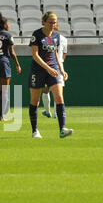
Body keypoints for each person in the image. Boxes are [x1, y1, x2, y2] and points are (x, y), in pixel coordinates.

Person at [28, 11, 73, 139]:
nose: (53, 25)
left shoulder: (56, 36)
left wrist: (61, 69)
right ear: (44, 22)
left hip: (53, 69)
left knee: (59, 98)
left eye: (55, 22)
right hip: (38, 70)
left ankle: (62, 129)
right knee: (34, 101)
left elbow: (55, 55)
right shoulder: (37, 35)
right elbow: (35, 55)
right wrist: (47, 68)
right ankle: (35, 130)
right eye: (51, 22)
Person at [41, 22, 68, 119]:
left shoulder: (47, 38)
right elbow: (64, 54)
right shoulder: (64, 39)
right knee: (59, 91)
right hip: (59, 65)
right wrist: (61, 62)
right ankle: (56, 113)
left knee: (46, 89)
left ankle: (48, 111)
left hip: (49, 65)